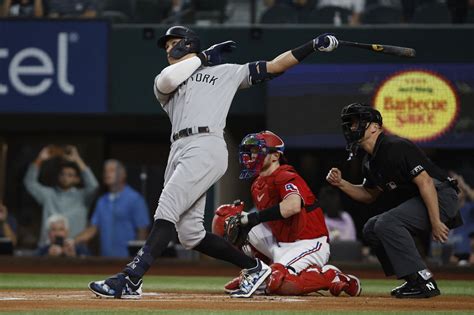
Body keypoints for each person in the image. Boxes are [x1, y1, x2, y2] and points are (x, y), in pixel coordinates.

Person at [88, 25, 339, 299]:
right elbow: (168, 82)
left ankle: (130, 278)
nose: (169, 49)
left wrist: (311, 45)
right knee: (190, 234)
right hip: (179, 147)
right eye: (167, 45)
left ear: (189, 44)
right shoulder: (166, 78)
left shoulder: (226, 72)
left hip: (206, 144)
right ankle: (254, 268)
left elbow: (275, 66)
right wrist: (204, 57)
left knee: (166, 209)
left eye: (174, 43)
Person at [326, 103, 461, 298]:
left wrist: (436, 221)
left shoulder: (395, 147)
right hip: (423, 199)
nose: (351, 128)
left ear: (374, 127)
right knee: (372, 228)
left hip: (441, 195)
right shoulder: (370, 162)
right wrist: (341, 183)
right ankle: (412, 279)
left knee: (387, 222)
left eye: (356, 123)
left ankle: (425, 281)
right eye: (350, 124)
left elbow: (425, 182)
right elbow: (368, 195)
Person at [213, 131, 361, 297]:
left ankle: (331, 276)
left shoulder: (285, 175)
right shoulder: (257, 184)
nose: (252, 155)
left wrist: (253, 218)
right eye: (250, 151)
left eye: (257, 150)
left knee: (281, 284)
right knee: (226, 217)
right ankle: (256, 271)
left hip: (309, 242)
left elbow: (292, 206)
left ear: (275, 156)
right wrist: (244, 221)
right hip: (281, 241)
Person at [23, 145, 99, 246]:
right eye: (62, 174)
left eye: (70, 175)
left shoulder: (83, 197)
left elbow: (93, 186)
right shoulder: (48, 194)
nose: (65, 177)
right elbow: (29, 183)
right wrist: (40, 159)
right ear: (58, 176)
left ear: (77, 179)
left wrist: (77, 159)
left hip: (74, 249)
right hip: (48, 249)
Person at [75, 160, 150, 258]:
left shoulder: (135, 199)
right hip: (106, 261)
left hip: (128, 261)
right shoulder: (101, 201)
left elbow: (142, 231)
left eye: (111, 170)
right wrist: (72, 241)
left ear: (123, 174)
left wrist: (138, 260)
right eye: (105, 171)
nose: (107, 174)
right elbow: (93, 229)